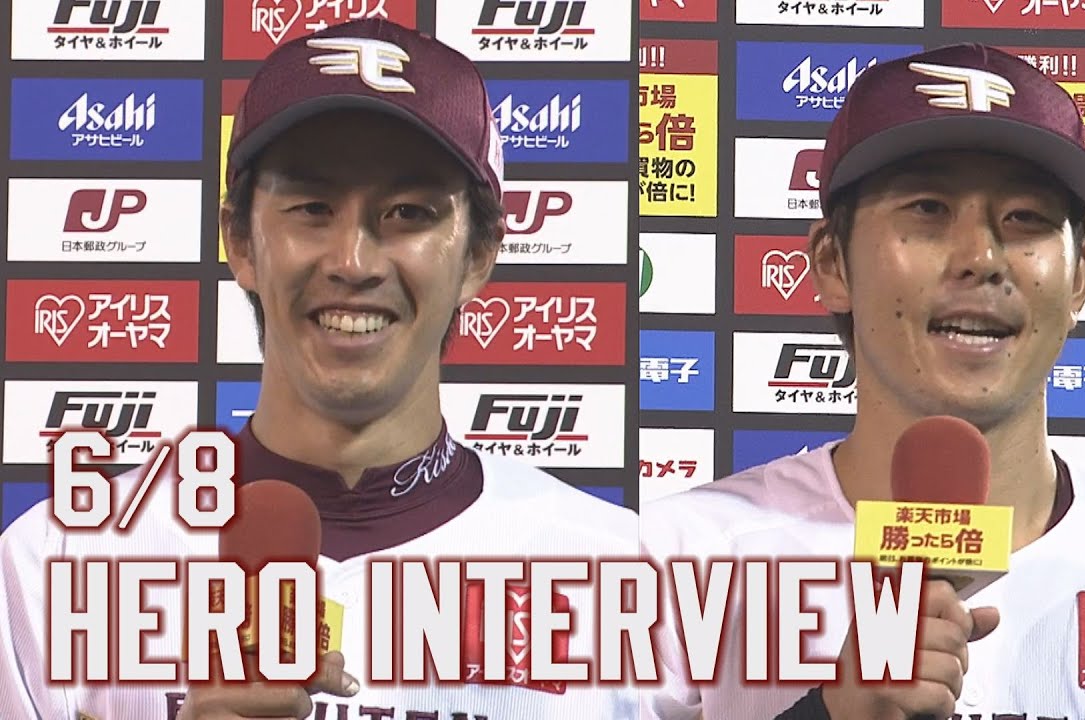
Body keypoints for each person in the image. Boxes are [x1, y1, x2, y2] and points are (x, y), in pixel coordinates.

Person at [0, 18, 639, 720]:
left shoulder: (621, 576)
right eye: (312, 208)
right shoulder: (56, 567)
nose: (353, 262)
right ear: (240, 241)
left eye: (408, 212)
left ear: (479, 254)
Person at [640, 43, 1085, 720]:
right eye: (927, 208)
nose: (981, 256)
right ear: (832, 264)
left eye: (1025, 218)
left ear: (1079, 280)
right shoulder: (669, 567)